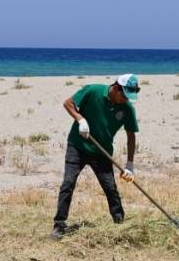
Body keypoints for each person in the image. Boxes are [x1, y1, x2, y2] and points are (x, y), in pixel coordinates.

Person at [52, 74, 141, 239]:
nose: (125, 100)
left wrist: (129, 164)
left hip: (102, 152)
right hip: (77, 146)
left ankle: (119, 223)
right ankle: (59, 225)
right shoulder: (93, 91)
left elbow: (131, 136)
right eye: (124, 96)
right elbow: (68, 103)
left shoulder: (127, 108)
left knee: (110, 188)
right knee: (68, 183)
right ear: (115, 88)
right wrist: (80, 119)